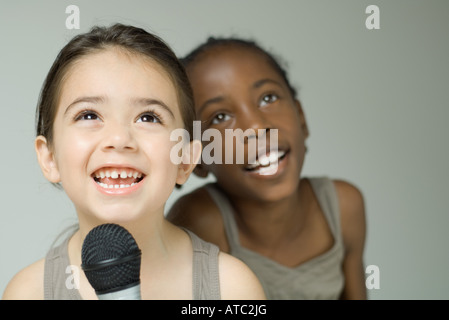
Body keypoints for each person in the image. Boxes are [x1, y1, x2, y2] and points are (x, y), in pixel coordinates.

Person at [2, 25, 265, 300]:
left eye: (148, 117)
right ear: (50, 158)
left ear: (186, 160)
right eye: (89, 115)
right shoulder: (28, 293)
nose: (118, 138)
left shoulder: (231, 289)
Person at [167, 37, 367, 299]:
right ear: (197, 158)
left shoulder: (343, 206)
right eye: (220, 117)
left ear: (301, 117)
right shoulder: (200, 222)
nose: (256, 127)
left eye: (268, 98)